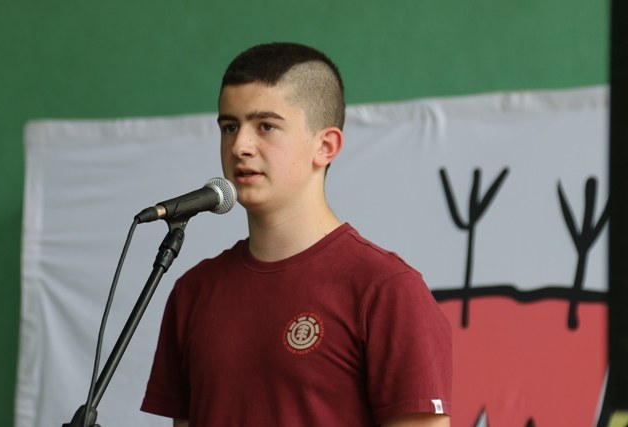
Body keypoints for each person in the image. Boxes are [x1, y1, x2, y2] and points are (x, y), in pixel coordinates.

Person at [141, 42, 452, 427]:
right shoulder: (194, 291)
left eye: (266, 126)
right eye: (229, 127)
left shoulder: (387, 290)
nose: (240, 146)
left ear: (325, 146)